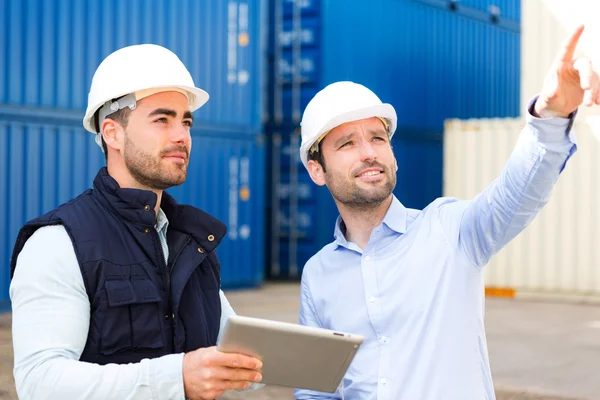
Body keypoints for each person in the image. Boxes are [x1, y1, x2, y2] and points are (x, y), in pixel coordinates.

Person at [295, 25, 599, 400]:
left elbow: (517, 193)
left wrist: (550, 116)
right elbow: (317, 391)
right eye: (348, 143)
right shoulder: (318, 275)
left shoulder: (450, 231)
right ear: (317, 170)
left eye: (378, 138)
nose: (369, 152)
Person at [10, 44, 264, 400]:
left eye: (186, 121)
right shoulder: (58, 242)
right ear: (112, 133)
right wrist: (176, 379)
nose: (182, 136)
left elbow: (237, 355)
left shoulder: (193, 242)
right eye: (162, 119)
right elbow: (40, 383)